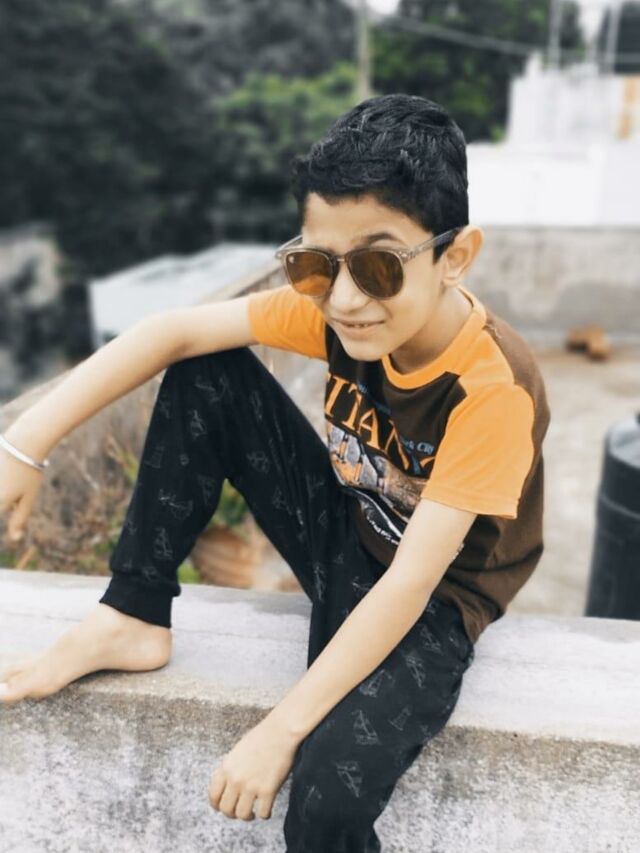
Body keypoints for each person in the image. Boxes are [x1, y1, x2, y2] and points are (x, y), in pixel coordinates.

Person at [0, 93, 550, 852]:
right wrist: (22, 444)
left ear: (454, 257)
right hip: (347, 532)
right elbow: (173, 332)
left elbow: (408, 586)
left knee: (325, 800)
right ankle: (132, 613)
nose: (347, 298)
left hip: (433, 603)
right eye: (318, 265)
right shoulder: (339, 312)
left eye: (381, 265)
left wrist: (279, 728)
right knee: (208, 369)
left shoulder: (491, 389)